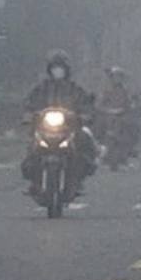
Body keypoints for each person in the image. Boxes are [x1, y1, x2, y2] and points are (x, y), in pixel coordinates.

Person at [19, 52, 96, 190]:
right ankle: (35, 181)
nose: (58, 70)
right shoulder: (41, 88)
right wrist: (27, 115)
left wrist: (86, 115)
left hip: (68, 128)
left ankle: (77, 179)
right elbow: (29, 103)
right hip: (43, 129)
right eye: (55, 67)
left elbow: (86, 104)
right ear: (50, 69)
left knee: (84, 142)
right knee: (32, 149)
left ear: (66, 69)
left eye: (61, 67)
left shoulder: (74, 89)